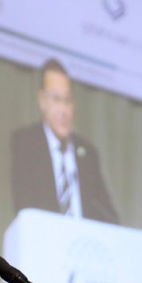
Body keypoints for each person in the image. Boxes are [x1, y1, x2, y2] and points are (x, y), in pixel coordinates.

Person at [11, 59, 119, 224]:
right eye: (56, 99)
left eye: (67, 100)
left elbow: (107, 214)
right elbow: (24, 209)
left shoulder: (87, 153)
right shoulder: (26, 144)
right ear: (42, 100)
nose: (63, 110)